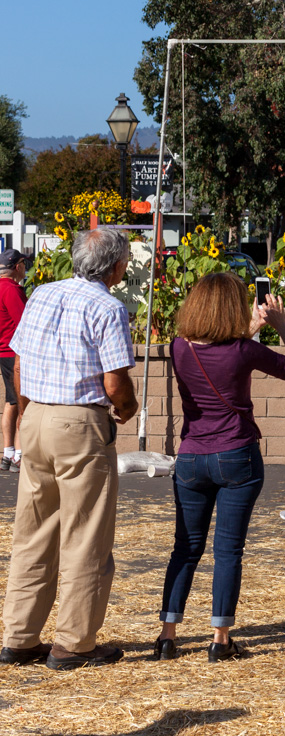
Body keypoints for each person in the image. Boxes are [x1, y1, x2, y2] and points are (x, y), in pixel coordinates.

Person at [151, 273, 285, 662]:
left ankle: (167, 635)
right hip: (237, 454)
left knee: (185, 547)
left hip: (190, 457)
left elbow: (218, 350)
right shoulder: (243, 351)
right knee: (228, 551)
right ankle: (220, 639)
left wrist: (252, 329)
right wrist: (281, 327)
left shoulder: (179, 347)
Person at [1, 228, 137, 670]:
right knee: (85, 536)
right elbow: (114, 382)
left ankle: (19, 637)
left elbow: (19, 361)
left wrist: (23, 414)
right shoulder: (109, 307)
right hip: (80, 421)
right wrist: (127, 408)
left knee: (33, 531)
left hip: (36, 414)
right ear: (115, 267)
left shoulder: (41, 292)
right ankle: (74, 643)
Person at [0, 248, 28, 473]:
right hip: (15, 352)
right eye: (23, 265)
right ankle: (19, 454)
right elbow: (24, 321)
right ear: (17, 267)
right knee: (22, 402)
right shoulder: (11, 289)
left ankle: (8, 452)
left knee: (10, 402)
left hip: (4, 351)